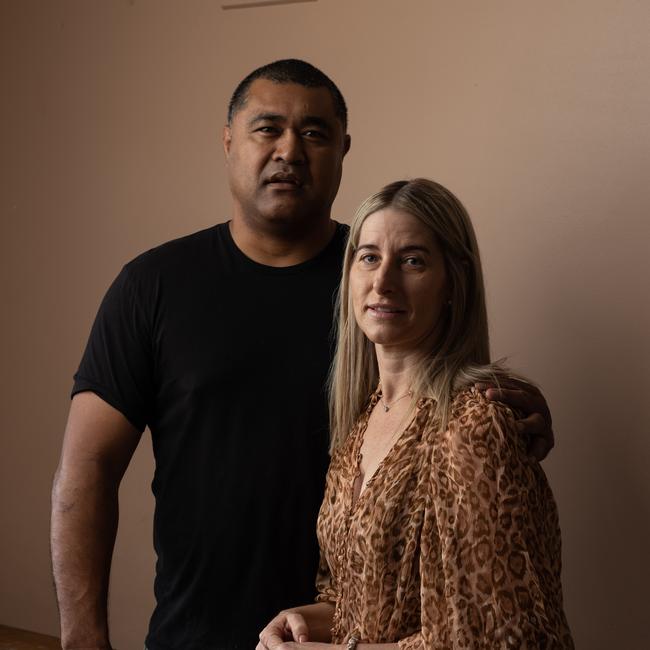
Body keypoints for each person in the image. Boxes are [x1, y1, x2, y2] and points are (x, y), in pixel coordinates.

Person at [50, 61, 555, 650]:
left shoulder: (378, 285)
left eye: (315, 133)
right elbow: (85, 471)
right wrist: (82, 640)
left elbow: (454, 416)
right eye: (268, 128)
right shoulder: (152, 287)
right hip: (201, 634)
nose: (291, 149)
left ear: (343, 148)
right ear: (229, 140)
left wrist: (502, 407)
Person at [258, 178, 573, 649]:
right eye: (368, 257)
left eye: (412, 261)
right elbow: (356, 604)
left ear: (453, 283)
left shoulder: (472, 425)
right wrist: (297, 624)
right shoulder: (359, 426)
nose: (383, 282)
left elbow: (499, 638)